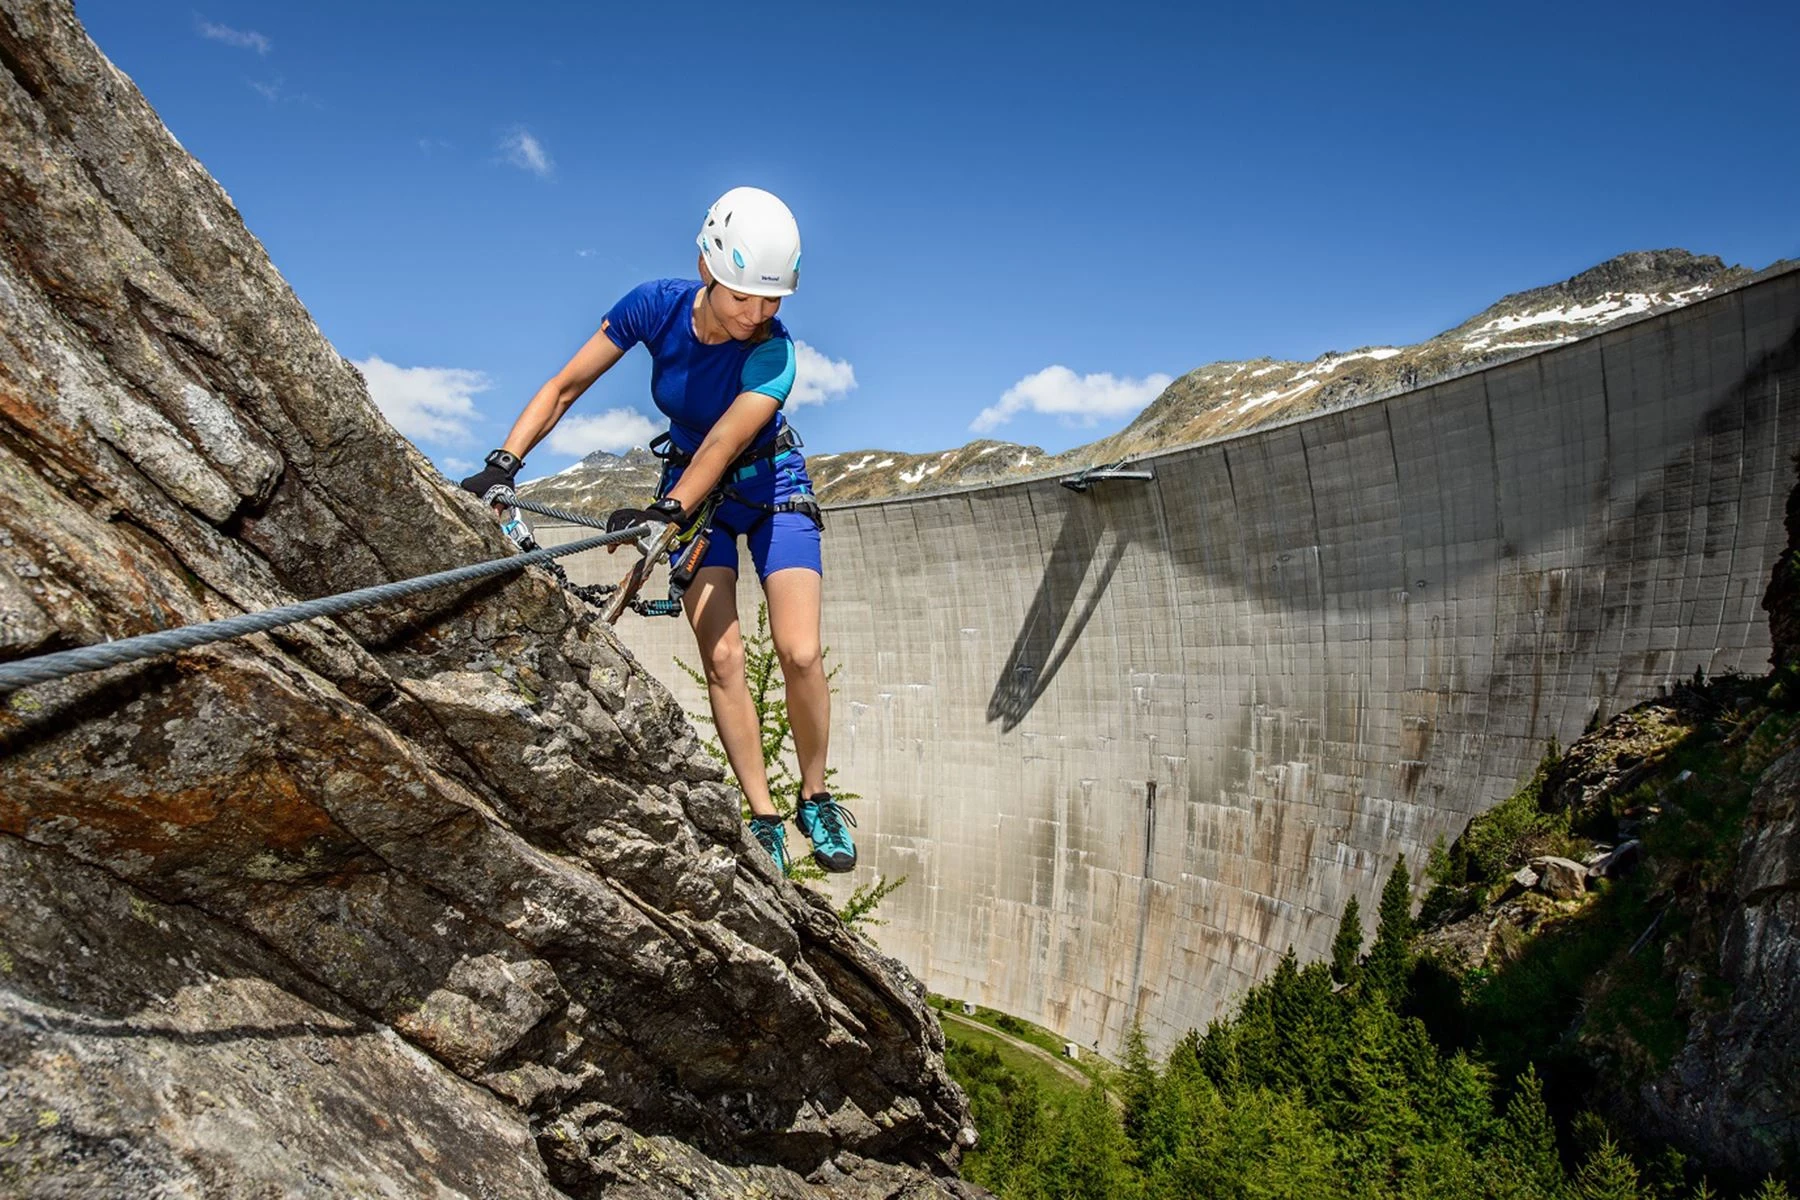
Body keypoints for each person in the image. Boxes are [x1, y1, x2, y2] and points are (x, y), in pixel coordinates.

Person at [459, 186, 855, 877]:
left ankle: (814, 798)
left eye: (772, 300)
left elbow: (723, 446)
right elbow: (564, 387)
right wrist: (503, 463)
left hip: (769, 485)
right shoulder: (654, 305)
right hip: (696, 499)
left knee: (798, 651)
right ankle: (762, 816)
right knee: (724, 659)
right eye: (743, 296)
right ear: (707, 267)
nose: (758, 313)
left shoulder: (775, 354)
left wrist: (665, 513)